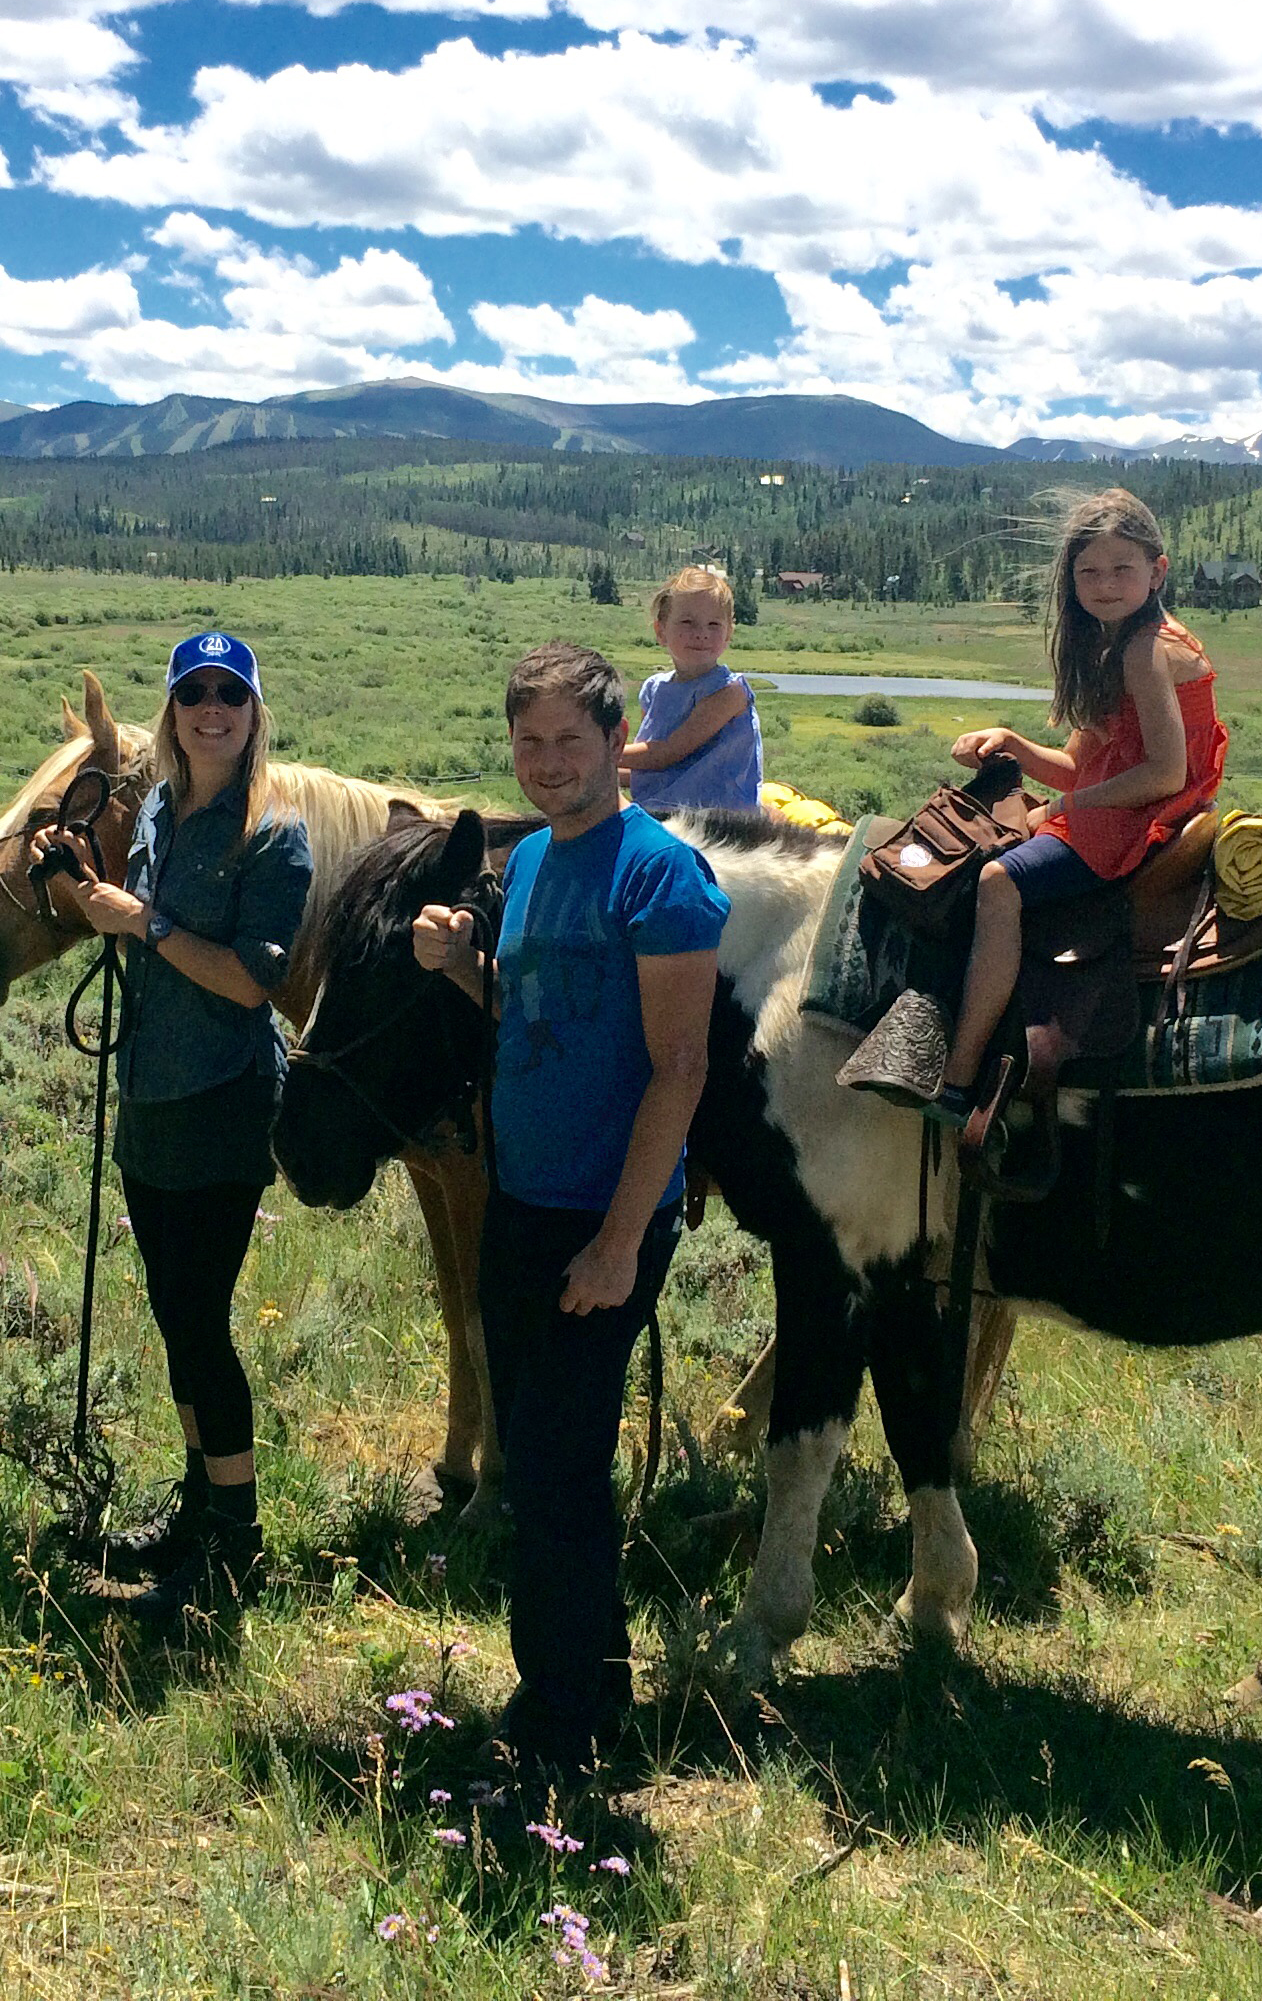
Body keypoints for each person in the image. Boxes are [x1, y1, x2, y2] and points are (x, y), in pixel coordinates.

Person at [413, 641, 728, 1783]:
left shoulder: (662, 877)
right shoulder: (539, 860)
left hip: (604, 1216)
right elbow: (535, 1013)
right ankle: (593, 1688)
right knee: (556, 1464)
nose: (548, 763)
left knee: (550, 1472)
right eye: (528, 742)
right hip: (524, 1201)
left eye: (570, 741)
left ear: (613, 746)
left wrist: (617, 1240)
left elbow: (679, 1069)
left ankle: (551, 1728)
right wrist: (462, 967)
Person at [68, 629, 312, 1623]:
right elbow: (131, 927)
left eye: (230, 694)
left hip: (224, 1098)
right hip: (150, 1094)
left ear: (255, 714)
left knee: (204, 1324)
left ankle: (237, 1540)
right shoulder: (161, 812)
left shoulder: (275, 833)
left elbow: (256, 979)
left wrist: (146, 925)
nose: (211, 709)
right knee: (176, 1320)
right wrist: (86, 894)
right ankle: (197, 1507)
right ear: (171, 711)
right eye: (193, 693)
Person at [927, 488, 1227, 1125]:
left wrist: (1065, 806)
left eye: (1123, 568)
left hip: (1139, 820)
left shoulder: (1148, 652)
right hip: (1122, 806)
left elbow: (1164, 773)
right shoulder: (1120, 645)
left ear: (1158, 570)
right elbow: (1078, 762)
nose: (1105, 584)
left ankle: (956, 1078)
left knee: (997, 880)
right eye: (1089, 571)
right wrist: (1008, 743)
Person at [619, 565, 764, 813]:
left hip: (718, 821)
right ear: (661, 631)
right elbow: (649, 766)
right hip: (660, 811)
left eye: (713, 624)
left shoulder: (729, 692)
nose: (701, 634)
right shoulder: (653, 690)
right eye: (688, 622)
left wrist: (595, 750)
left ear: (729, 633)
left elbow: (666, 753)